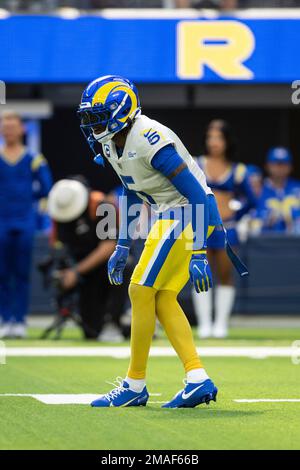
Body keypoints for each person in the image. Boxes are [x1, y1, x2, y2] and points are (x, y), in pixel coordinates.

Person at [77, 75, 226, 408]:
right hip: (173, 212)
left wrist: (200, 250)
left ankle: (134, 384)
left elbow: (196, 195)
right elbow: (132, 193)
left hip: (191, 211)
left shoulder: (147, 138)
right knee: (161, 298)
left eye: (97, 115)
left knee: (140, 289)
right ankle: (197, 379)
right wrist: (122, 244)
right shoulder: (112, 140)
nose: (91, 123)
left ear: (120, 110)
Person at [194, 120, 256, 338]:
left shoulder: (238, 170)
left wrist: (235, 215)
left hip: (226, 228)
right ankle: (204, 324)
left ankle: (220, 324)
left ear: (227, 141)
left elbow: (251, 200)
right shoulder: (196, 164)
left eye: (219, 137)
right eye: (210, 137)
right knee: (201, 272)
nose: (214, 142)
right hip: (201, 226)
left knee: (225, 273)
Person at [48, 177, 128, 341]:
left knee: (124, 266)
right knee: (91, 331)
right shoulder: (60, 212)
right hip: (84, 273)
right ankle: (123, 327)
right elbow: (58, 245)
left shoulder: (104, 206)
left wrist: (74, 271)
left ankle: (116, 321)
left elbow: (108, 247)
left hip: (107, 266)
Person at [0, 110, 52, 339]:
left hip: (24, 221)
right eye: (5, 126)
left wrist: (36, 210)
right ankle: (5, 318)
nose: (9, 130)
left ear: (22, 129)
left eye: (13, 126)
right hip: (2, 221)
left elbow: (47, 188)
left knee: (21, 273)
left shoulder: (34, 158)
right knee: (2, 273)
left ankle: (19, 320)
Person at [252, 148, 300, 234]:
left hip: (295, 243)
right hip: (264, 243)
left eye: (284, 164)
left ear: (290, 167)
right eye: (276, 164)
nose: (280, 168)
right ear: (267, 166)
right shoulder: (258, 189)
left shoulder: (298, 188)